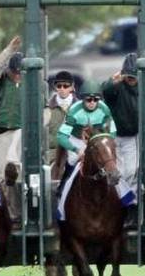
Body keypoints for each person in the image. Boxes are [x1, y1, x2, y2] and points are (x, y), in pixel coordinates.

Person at [55, 80, 128, 219]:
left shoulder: (104, 109)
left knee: (112, 164)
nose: (92, 102)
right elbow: (61, 136)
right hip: (77, 141)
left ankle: (125, 198)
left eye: (96, 99)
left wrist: (102, 142)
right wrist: (76, 150)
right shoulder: (74, 111)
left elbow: (112, 132)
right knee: (72, 164)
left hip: (98, 140)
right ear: (82, 99)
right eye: (88, 99)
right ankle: (62, 192)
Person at [102, 53, 140, 226]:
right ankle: (125, 205)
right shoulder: (117, 87)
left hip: (134, 136)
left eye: (134, 75)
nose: (131, 79)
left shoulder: (144, 88)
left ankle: (132, 207)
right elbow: (105, 90)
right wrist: (114, 80)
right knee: (117, 173)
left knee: (131, 171)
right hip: (117, 136)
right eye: (129, 75)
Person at [0, 36, 24, 184]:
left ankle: (22, 207)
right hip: (1, 134)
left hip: (21, 134)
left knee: (21, 177)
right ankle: (6, 205)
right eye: (14, 72)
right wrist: (8, 51)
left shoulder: (30, 83)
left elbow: (44, 108)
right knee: (5, 177)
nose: (16, 75)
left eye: (19, 73)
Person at [44, 69, 76, 182]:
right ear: (55, 87)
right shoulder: (47, 108)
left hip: (74, 153)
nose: (62, 89)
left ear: (72, 87)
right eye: (59, 86)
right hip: (52, 154)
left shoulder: (79, 108)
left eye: (66, 86)